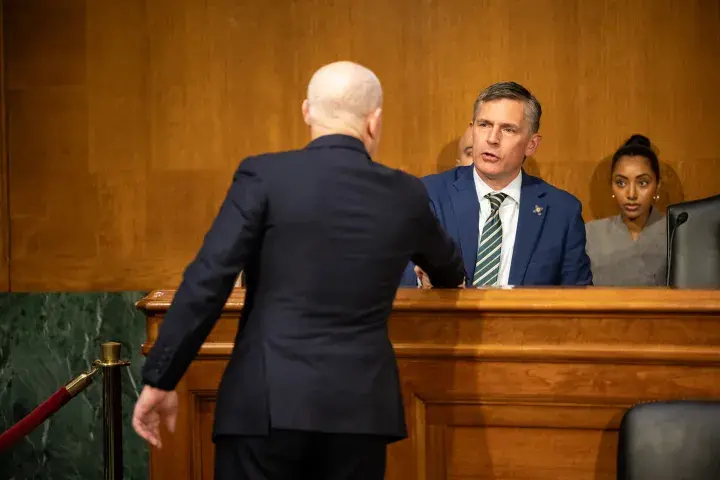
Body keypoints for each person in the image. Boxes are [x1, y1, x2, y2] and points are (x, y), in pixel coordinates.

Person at [131, 61, 465, 480]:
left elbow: (209, 278)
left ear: (307, 111)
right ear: (374, 122)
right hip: (358, 415)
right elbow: (451, 269)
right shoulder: (406, 193)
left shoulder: (265, 176)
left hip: (264, 405)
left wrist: (161, 378)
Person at [401, 81, 592, 287]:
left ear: (531, 144)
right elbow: (397, 278)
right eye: (484, 125)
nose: (492, 139)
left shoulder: (562, 212)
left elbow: (579, 300)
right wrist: (423, 281)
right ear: (472, 130)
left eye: (508, 129)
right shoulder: (428, 196)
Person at [585, 134, 666, 286]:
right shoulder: (590, 234)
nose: (631, 194)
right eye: (621, 183)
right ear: (611, 185)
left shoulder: (676, 234)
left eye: (642, 183)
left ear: (657, 186)